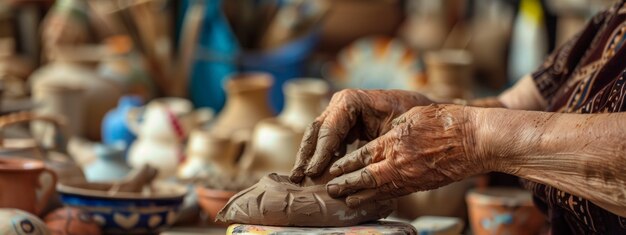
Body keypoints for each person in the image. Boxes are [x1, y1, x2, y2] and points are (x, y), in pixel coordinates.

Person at [290, 1, 626, 234]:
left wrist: (471, 137)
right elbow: (517, 107)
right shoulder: (614, 21)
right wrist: (418, 111)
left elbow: (488, 133)